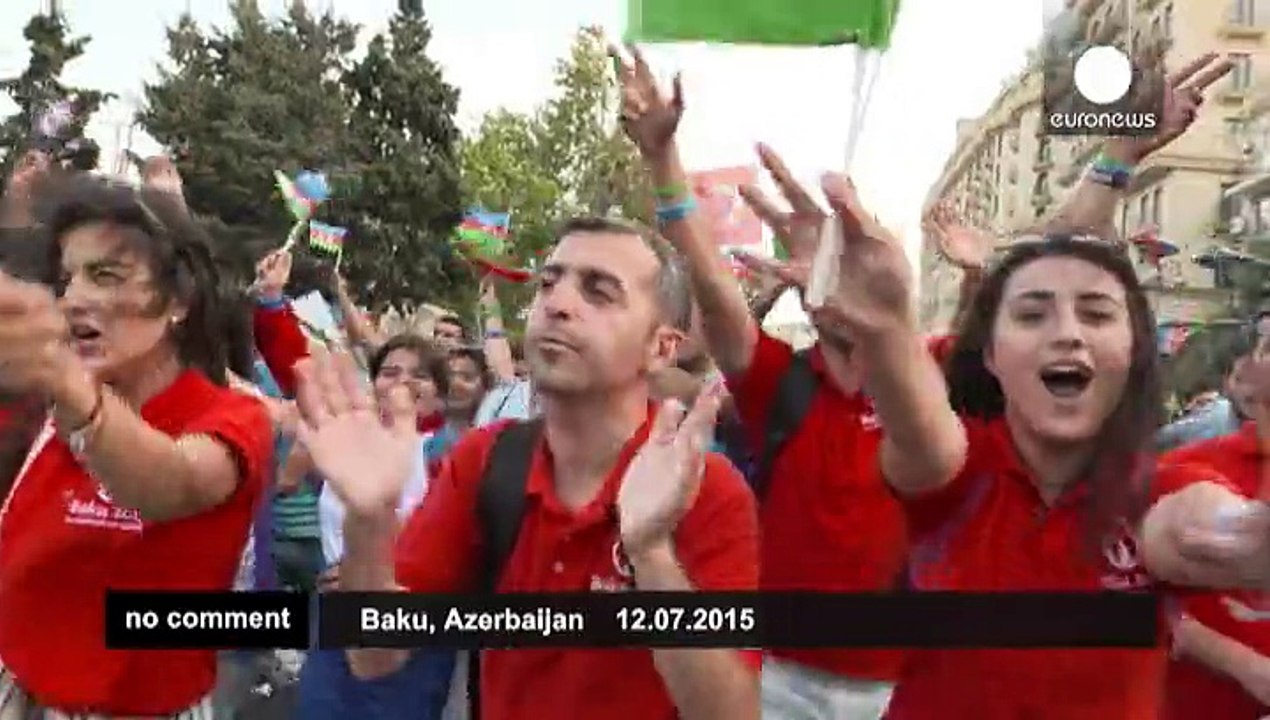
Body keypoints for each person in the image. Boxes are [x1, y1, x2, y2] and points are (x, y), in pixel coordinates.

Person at [792, 55, 1269, 720]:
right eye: (1031, 314)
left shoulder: (1164, 485)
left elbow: (1211, 536)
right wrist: (885, 327)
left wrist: (1118, 155)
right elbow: (922, 430)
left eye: (1099, 315)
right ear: (988, 354)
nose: (1067, 333)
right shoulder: (955, 470)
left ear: (1135, 352)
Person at [300, 215, 761, 720]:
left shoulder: (704, 488)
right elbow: (373, 655)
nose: (558, 305)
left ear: (661, 347)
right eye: (549, 283)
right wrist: (368, 518)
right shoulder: (487, 459)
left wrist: (650, 555)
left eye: (599, 292)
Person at [614, 44, 909, 717]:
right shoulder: (782, 381)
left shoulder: (925, 385)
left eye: (855, 264)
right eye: (830, 268)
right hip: (775, 678)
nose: (839, 283)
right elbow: (715, 294)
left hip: (900, 684)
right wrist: (663, 166)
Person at [0, 174, 272, 716]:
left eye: (105, 275)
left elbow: (172, 483)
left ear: (178, 300)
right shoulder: (41, 406)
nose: (74, 299)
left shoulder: (232, 416)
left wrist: (75, 393)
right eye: (66, 278)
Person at [295, 332, 455, 720]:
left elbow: (453, 545)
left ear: (438, 393)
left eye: (419, 375)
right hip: (334, 619)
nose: (402, 383)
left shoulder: (446, 451)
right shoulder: (346, 444)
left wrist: (370, 561)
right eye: (390, 372)